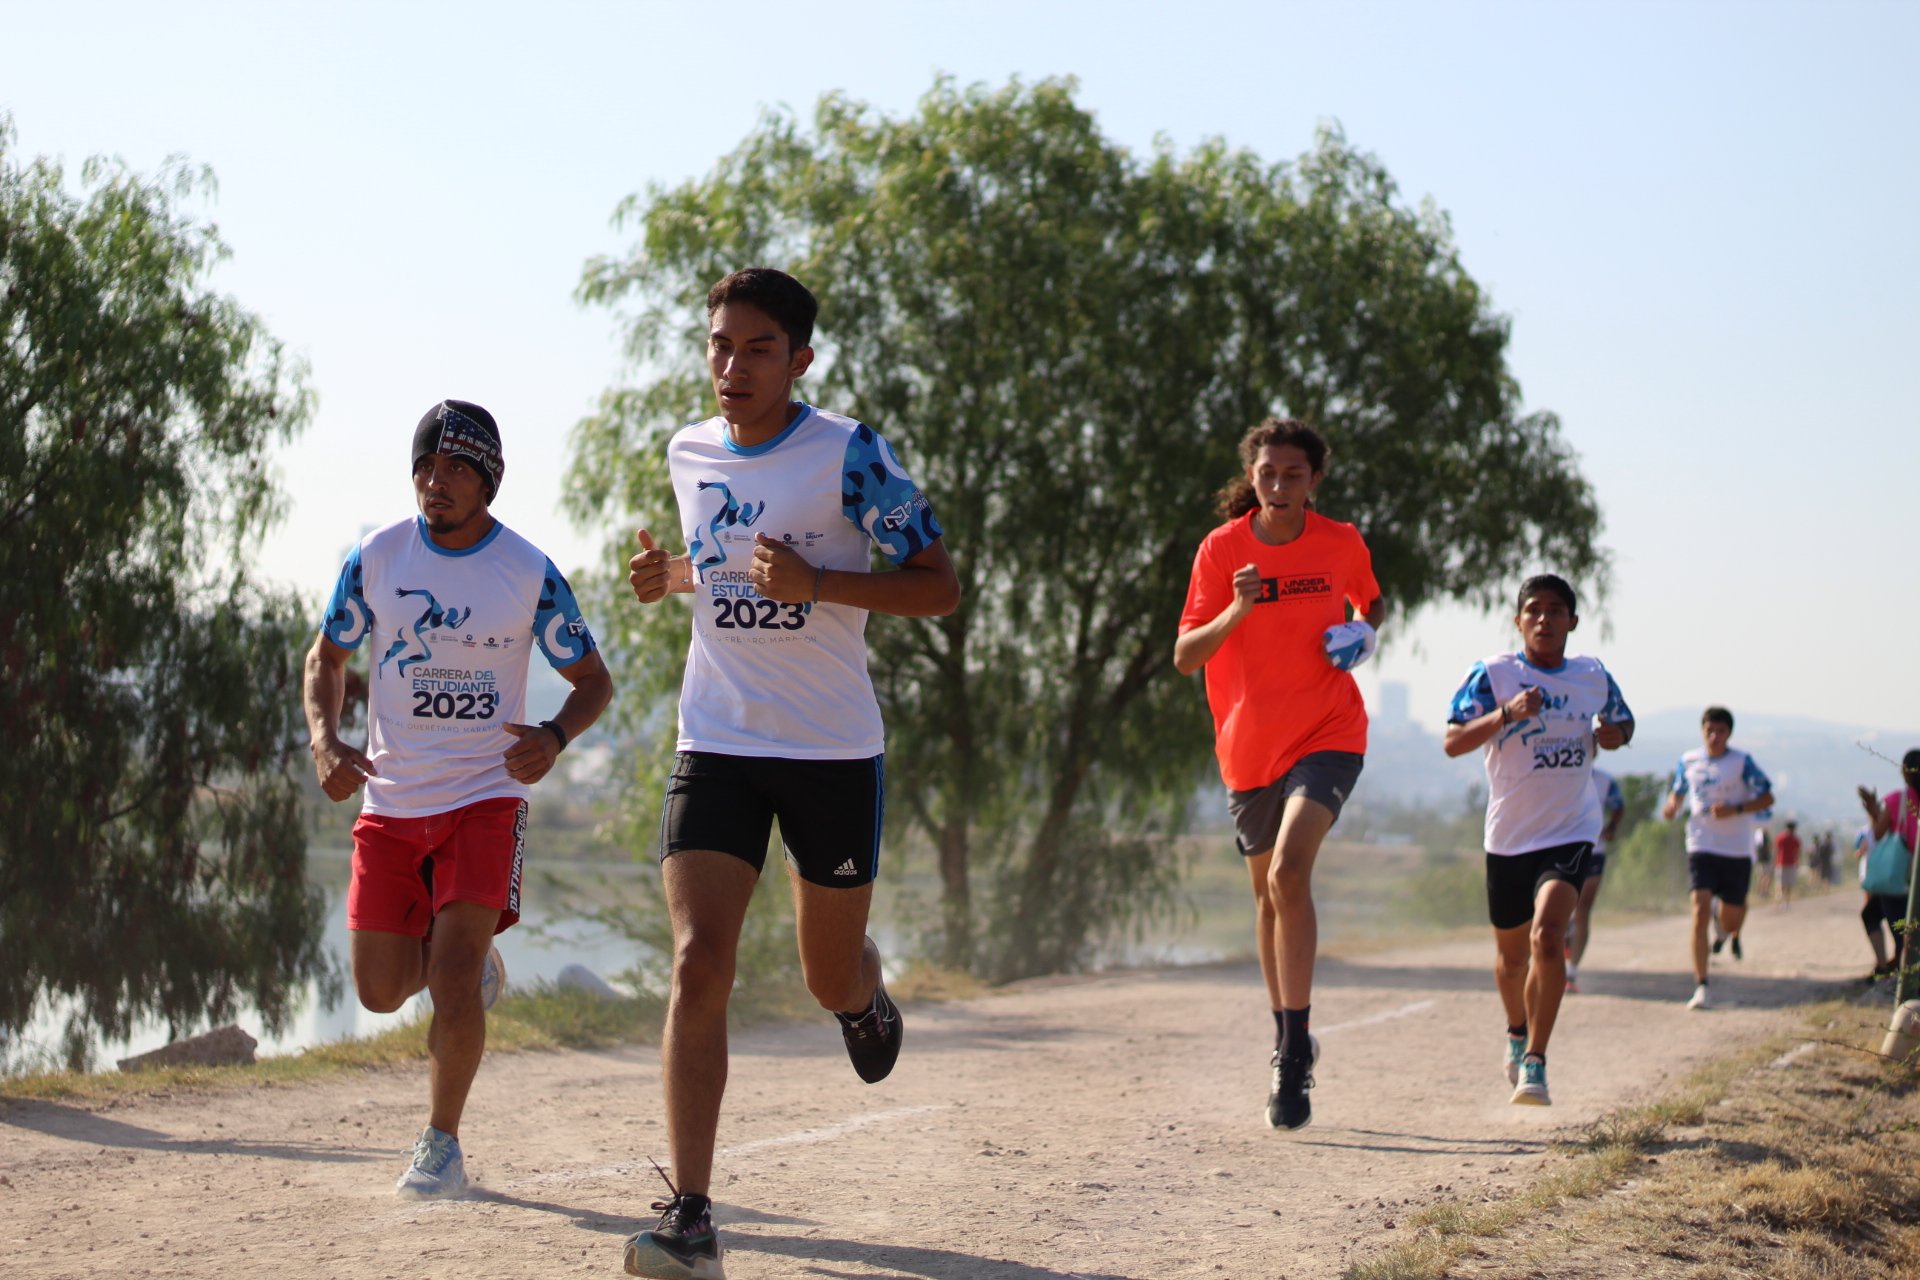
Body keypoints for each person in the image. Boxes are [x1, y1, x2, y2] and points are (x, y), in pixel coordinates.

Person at [622, 268, 959, 1280]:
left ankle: (863, 997)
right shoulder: (689, 449)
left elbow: (936, 586)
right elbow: (720, 559)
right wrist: (669, 576)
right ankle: (691, 1216)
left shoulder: (849, 452)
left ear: (800, 360)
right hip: (716, 733)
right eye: (720, 344)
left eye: (757, 348)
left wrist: (818, 584)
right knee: (699, 962)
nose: (732, 365)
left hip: (827, 746)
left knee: (823, 971)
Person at [303, 399, 614, 1198]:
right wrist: (325, 739)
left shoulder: (529, 573)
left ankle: (441, 1144)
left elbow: (593, 682)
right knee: (376, 991)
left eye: (456, 470)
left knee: (450, 967)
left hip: (486, 795)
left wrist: (553, 736)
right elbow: (327, 657)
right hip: (392, 800)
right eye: (425, 467)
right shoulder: (376, 557)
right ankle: (467, 975)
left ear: (489, 482)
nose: (435, 483)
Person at [1175, 417, 1385, 1132]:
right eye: (1268, 472)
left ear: (1314, 479)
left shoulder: (1341, 542)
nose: (1279, 483)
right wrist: (1238, 606)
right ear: (1253, 476)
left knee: (1289, 875)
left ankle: (1292, 1054)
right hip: (1248, 749)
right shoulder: (1222, 550)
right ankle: (1286, 1030)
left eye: (1293, 473)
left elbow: (1371, 597)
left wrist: (1367, 633)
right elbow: (1185, 655)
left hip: (1329, 731)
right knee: (1266, 899)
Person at [1444, 575, 1633, 1106]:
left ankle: (1537, 1062)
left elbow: (1621, 722)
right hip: (1509, 836)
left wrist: (1616, 735)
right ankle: (1515, 1030)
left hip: (1571, 829)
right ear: (1518, 620)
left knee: (1549, 937)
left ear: (1573, 621)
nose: (1545, 619)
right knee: (1510, 961)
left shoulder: (1593, 675)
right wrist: (1507, 713)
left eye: (1556, 611)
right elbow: (1453, 741)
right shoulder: (1494, 675)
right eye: (1534, 610)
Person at [1661, 707, 1775, 1010]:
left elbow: (1767, 796)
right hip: (1701, 844)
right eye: (1709, 730)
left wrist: (1735, 809)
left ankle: (1724, 932)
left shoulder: (1741, 762)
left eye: (1720, 731)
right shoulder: (1688, 761)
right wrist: (1672, 807)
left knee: (1732, 919)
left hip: (1736, 849)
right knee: (1698, 910)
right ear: (1702, 731)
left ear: (1729, 733)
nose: (1714, 737)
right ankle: (1702, 986)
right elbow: (1677, 793)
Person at [1856, 749, 1920, 986]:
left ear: (1905, 772)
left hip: (1901, 878)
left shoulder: (1898, 800)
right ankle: (1890, 970)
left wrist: (1874, 811)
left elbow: (1878, 832)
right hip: (1912, 876)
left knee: (1898, 931)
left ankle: (1895, 978)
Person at [1565, 766, 1625, 994]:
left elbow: (1619, 807)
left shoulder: (1605, 780)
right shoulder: (1559, 773)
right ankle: (1558, 949)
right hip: (1560, 849)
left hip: (1593, 851)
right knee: (1558, 907)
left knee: (1582, 907)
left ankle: (1572, 969)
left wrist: (1612, 827)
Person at [1854, 822, 1897, 982]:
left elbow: (1874, 838)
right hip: (1892, 880)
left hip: (1895, 881)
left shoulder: (1896, 803)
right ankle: (1886, 966)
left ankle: (1886, 967)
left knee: (1898, 926)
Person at [1774, 821, 1802, 904]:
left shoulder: (1781, 837)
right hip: (1788, 863)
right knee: (1787, 883)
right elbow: (1798, 852)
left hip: (1782, 862)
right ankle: (1785, 900)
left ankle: (1781, 899)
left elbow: (1776, 850)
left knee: (1782, 882)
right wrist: (1797, 861)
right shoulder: (1794, 839)